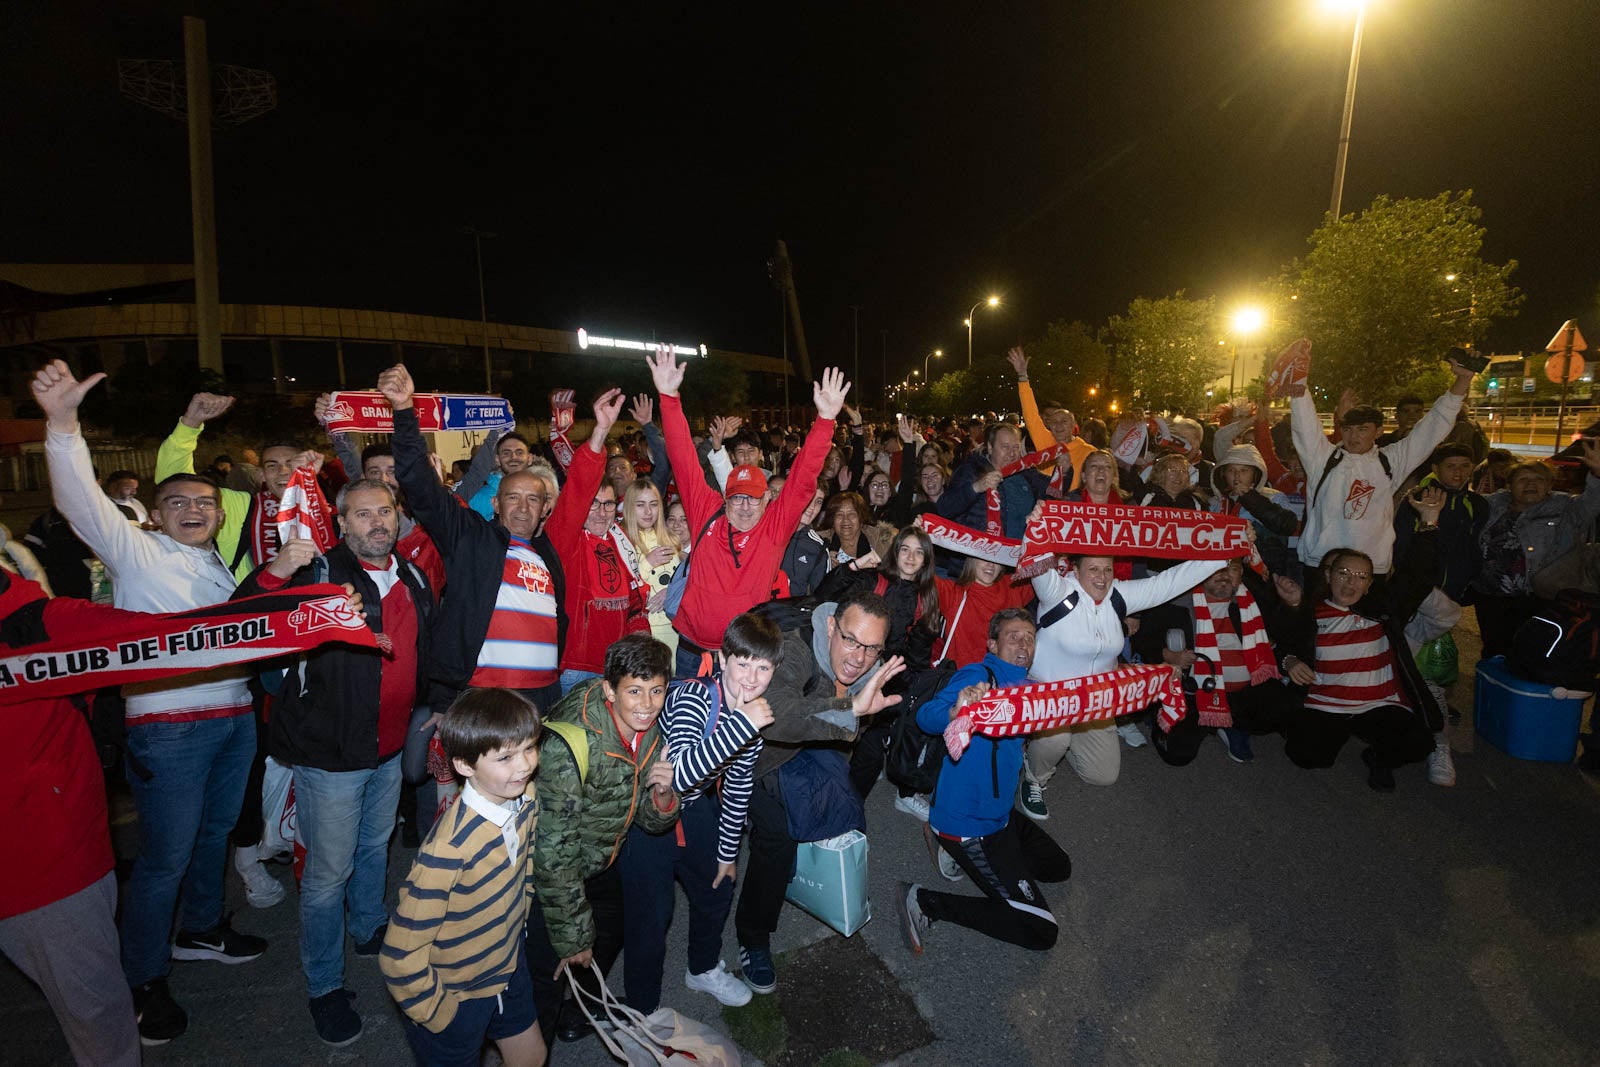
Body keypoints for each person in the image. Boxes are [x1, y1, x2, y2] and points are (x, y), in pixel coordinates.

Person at [34, 360, 268, 1045]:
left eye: (205, 504)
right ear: (154, 514)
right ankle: (141, 978)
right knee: (163, 854)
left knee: (212, 836)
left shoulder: (214, 562)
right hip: (169, 725)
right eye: (180, 504)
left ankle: (200, 929)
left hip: (233, 716)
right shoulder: (137, 553)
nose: (195, 511)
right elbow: (80, 501)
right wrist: (61, 426)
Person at [233, 478, 435, 1046]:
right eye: (363, 514)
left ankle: (369, 927)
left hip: (389, 750)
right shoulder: (316, 577)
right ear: (341, 524)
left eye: (386, 511)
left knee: (375, 847)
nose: (378, 522)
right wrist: (276, 569)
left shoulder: (412, 576)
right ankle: (324, 985)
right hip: (332, 759)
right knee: (326, 877)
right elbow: (237, 619)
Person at [0, 568, 141, 1066]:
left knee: (95, 1013)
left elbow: (176, 636)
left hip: (40, 865)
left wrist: (304, 613)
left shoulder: (38, 623)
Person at [733, 590, 905, 994]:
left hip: (812, 756)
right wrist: (851, 711)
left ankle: (814, 840)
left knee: (862, 766)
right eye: (850, 640)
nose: (859, 658)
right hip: (759, 759)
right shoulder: (794, 651)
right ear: (831, 627)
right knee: (777, 836)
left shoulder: (868, 670)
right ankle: (754, 937)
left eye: (871, 648)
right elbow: (775, 719)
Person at [649, 347, 849, 677]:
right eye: (737, 498)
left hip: (742, 658)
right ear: (724, 499)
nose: (744, 506)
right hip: (690, 651)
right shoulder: (706, 511)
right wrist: (669, 397)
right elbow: (683, 459)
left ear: (767, 500)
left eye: (753, 499)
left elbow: (803, 477)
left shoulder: (775, 526)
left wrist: (825, 420)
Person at [383, 364, 569, 716]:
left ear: (546, 508)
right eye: (513, 497)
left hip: (545, 697)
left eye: (533, 499)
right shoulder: (472, 539)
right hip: (486, 697)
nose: (523, 507)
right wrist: (404, 410)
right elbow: (421, 486)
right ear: (496, 503)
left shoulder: (549, 555)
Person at [619, 614, 780, 1014]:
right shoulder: (696, 697)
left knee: (717, 887)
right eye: (742, 663)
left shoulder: (752, 713)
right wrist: (742, 724)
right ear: (722, 659)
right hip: (650, 815)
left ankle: (703, 969)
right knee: (652, 919)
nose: (751, 677)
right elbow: (682, 777)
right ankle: (642, 1011)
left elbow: (739, 784)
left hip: (696, 811)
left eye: (763, 667)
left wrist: (728, 853)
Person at [381, 688, 547, 1067]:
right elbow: (398, 956)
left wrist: (518, 927)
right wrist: (441, 1014)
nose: (524, 766)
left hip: (506, 966)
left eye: (529, 748)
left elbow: (527, 864)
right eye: (505, 757)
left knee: (532, 1056)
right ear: (465, 765)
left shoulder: (525, 797)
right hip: (457, 993)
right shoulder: (449, 849)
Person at [528, 635, 680, 1048]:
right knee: (546, 972)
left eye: (657, 690)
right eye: (634, 690)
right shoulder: (571, 744)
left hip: (600, 858)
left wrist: (664, 797)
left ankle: (576, 1011)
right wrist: (573, 935)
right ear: (610, 690)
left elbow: (648, 819)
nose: (647, 704)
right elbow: (554, 853)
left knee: (611, 927)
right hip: (549, 877)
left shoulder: (649, 728)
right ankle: (532, 1045)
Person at [899, 609, 1072, 954]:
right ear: (993, 644)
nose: (1023, 643)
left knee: (1057, 868)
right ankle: (924, 900)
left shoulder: (1027, 688)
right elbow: (926, 716)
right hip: (969, 824)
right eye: (1013, 636)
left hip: (1001, 815)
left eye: (1029, 637)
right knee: (1040, 931)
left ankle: (969, 860)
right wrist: (955, 710)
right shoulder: (979, 677)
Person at [1020, 548, 1229, 821]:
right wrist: (1036, 524)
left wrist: (1224, 553)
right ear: (1075, 570)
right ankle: (1035, 776)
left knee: (1103, 776)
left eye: (1107, 570)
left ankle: (1061, 742)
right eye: (1093, 569)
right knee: (1056, 738)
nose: (1102, 577)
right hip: (1052, 697)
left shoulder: (1117, 595)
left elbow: (1168, 583)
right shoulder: (1057, 591)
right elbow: (1036, 556)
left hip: (1095, 702)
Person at [1276, 489, 1450, 791]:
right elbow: (1282, 644)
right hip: (1326, 703)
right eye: (1343, 572)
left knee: (1418, 744)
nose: (1350, 582)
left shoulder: (1382, 610)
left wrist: (1430, 521)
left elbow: (1416, 575)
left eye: (1360, 576)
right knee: (1306, 756)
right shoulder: (1309, 612)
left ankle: (1378, 758)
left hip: (1378, 704)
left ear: (1370, 584)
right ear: (1328, 577)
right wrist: (1289, 661)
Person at [1289, 358, 1475, 581]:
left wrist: (1463, 380)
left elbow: (1432, 427)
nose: (1353, 436)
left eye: (1362, 430)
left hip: (1372, 567)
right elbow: (1305, 425)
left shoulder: (1391, 461)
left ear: (1378, 432)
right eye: (1348, 429)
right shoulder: (1323, 459)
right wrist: (1298, 381)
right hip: (1322, 563)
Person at [1131, 559, 1298, 765]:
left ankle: (1233, 724)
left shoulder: (1253, 601)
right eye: (1216, 569)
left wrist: (1293, 605)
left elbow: (1288, 636)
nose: (1225, 574)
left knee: (1289, 706)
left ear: (1241, 575)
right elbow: (1142, 640)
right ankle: (1181, 717)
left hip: (1246, 691)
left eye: (1233, 568)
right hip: (1195, 692)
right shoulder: (1177, 600)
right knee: (1177, 753)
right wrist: (1168, 655)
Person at [1392, 443, 1490, 786]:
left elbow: (1476, 548)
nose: (1459, 473)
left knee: (1429, 667)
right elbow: (1401, 545)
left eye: (1465, 466)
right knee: (1416, 666)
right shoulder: (1418, 498)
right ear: (1436, 466)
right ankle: (1430, 735)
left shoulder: (1476, 504)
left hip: (1449, 600)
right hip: (1415, 597)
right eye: (1452, 466)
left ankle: (1437, 739)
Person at [544, 389, 651, 695]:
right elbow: (578, 486)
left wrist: (638, 641)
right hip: (575, 668)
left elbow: (634, 600)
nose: (601, 512)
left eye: (607, 504)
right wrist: (601, 431)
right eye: (593, 504)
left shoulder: (620, 539)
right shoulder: (566, 539)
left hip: (616, 666)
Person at [1469, 444, 1600, 657]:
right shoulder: (1493, 504)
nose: (1531, 484)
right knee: (1494, 650)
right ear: (1509, 485)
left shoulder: (1566, 507)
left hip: (1539, 597)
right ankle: (1496, 688)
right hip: (1490, 596)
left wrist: (1597, 474)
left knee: (1534, 652)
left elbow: (1594, 501)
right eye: (1523, 479)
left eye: (1539, 479)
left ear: (1550, 484)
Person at [936, 422, 1048, 539]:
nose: (1012, 453)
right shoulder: (972, 471)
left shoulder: (1027, 473)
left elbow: (1053, 490)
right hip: (981, 552)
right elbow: (944, 508)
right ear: (990, 447)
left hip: (1020, 551)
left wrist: (1064, 471)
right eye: (1005, 447)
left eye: (1016, 447)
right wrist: (975, 488)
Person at [1008, 346, 1095, 494]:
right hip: (1043, 507)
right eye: (1054, 422)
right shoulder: (1044, 441)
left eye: (1064, 421)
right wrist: (1023, 376)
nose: (1059, 425)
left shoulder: (1089, 452)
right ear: (1048, 424)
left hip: (1073, 509)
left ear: (1074, 425)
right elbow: (1031, 415)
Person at [933, 556, 1035, 668]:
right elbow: (921, 576)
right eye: (984, 557)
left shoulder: (1013, 585)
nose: (991, 564)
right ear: (972, 559)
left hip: (1006, 679)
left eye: (996, 558)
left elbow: (1045, 568)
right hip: (964, 679)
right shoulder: (953, 593)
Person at [621, 478, 683, 657]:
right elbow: (623, 588)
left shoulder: (671, 538)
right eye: (640, 505)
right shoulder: (621, 539)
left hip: (676, 627)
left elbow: (689, 580)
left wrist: (672, 592)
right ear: (629, 507)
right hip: (644, 630)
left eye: (654, 504)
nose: (648, 512)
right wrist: (647, 563)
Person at [466, 433, 538, 520]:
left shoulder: (542, 491)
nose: (513, 457)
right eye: (506, 453)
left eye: (519, 452)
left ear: (529, 458)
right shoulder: (480, 498)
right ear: (497, 459)